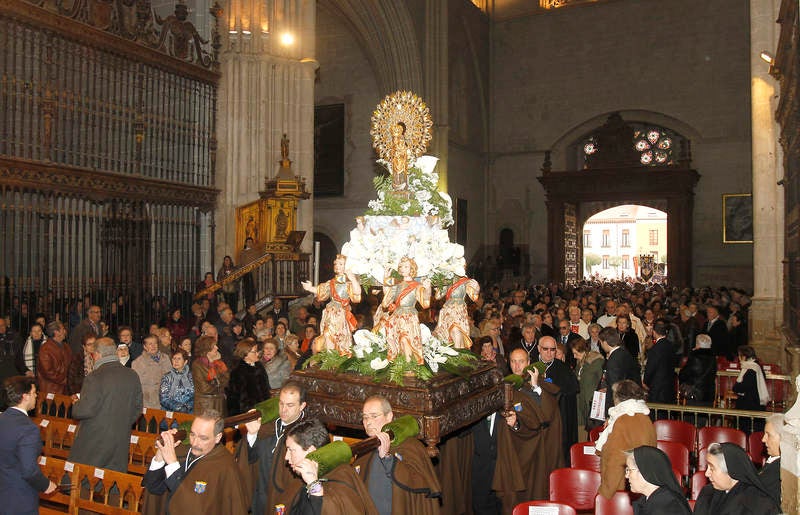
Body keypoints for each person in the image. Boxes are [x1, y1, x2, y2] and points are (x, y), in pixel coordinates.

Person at [142, 409, 253, 514]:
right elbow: (154, 488)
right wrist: (160, 456)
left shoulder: (225, 466)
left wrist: (172, 464)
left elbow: (194, 508)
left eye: (203, 438)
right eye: (192, 434)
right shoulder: (183, 451)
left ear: (218, 437)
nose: (195, 443)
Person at [493, 348, 562, 511]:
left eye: (521, 361)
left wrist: (536, 386)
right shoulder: (506, 386)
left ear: (529, 363)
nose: (517, 366)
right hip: (516, 450)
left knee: (538, 492)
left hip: (540, 448)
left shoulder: (541, 383)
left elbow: (547, 414)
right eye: (513, 361)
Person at [353, 396, 441, 515]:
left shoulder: (410, 445)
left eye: (374, 416)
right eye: (365, 417)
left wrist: (387, 458)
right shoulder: (364, 451)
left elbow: (417, 481)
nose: (368, 422)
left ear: (389, 416)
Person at [68, 337, 143, 472]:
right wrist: (122, 423)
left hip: (95, 440)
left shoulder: (95, 377)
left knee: (85, 481)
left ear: (97, 354)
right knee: (114, 483)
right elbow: (137, 409)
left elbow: (85, 410)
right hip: (120, 438)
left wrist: (76, 404)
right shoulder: (132, 375)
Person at [284, 418, 378, 514]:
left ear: (310, 451)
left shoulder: (342, 477)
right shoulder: (300, 480)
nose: (286, 457)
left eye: (291, 450)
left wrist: (314, 486)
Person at [246, 382, 308, 514]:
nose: (284, 409)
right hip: (261, 495)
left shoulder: (307, 433)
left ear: (302, 406)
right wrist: (252, 435)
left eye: (290, 405)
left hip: (284, 498)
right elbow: (252, 459)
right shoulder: (267, 427)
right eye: (281, 403)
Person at [0, 376, 58, 514]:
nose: (36, 396)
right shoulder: (28, 429)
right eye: (34, 392)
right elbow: (29, 471)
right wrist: (46, 485)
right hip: (19, 498)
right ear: (25, 396)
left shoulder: (2, 418)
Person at [595, 380, 657, 499]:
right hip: (645, 486)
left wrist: (605, 493)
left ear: (617, 398)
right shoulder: (645, 418)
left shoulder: (622, 421)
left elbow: (615, 460)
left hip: (623, 489)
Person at [301, 255, 363, 356]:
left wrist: (353, 279)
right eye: (335, 263)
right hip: (330, 313)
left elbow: (357, 292)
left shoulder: (349, 282)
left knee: (340, 336)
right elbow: (321, 290)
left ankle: (340, 354)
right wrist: (309, 288)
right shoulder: (332, 282)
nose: (337, 266)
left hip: (340, 314)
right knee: (327, 334)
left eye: (340, 264)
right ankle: (330, 356)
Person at [694, 442, 780, 515]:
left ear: (731, 471)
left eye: (712, 468)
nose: (706, 474)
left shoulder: (758, 504)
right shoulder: (707, 493)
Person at [378, 257, 431, 364]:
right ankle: (401, 363)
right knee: (397, 340)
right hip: (396, 317)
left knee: (405, 339)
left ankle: (408, 364)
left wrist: (428, 289)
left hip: (409, 317)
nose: (402, 268)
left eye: (406, 266)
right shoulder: (396, 284)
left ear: (412, 269)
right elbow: (387, 299)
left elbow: (425, 302)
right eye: (401, 266)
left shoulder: (417, 286)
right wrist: (386, 280)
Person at [537, 335, 579, 465]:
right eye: (546, 349)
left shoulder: (562, 368)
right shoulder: (531, 366)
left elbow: (573, 388)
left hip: (559, 416)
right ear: (539, 349)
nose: (550, 353)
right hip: (538, 418)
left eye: (553, 349)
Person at [626, 446, 692, 514]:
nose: (626, 476)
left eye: (629, 470)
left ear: (645, 472)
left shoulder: (668, 508)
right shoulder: (650, 499)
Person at [599, 326, 640, 417]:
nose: (601, 345)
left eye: (600, 342)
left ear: (605, 342)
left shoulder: (613, 360)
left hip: (621, 406)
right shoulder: (624, 352)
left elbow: (616, 388)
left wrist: (612, 414)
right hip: (631, 399)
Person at [433, 275, 480, 349]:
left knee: (457, 332)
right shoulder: (447, 280)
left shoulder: (465, 281)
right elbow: (438, 296)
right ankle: (455, 353)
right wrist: (439, 286)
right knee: (450, 333)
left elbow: (474, 297)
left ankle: (458, 353)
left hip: (459, 311)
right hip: (448, 310)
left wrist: (476, 290)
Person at [572, 337, 604, 442]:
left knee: (593, 431)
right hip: (580, 401)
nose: (574, 357)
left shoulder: (596, 361)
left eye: (576, 354)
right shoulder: (580, 363)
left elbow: (602, 381)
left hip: (593, 402)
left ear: (584, 351)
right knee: (581, 429)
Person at [227, 339, 270, 415]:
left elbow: (266, 388)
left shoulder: (259, 366)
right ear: (245, 354)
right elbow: (234, 398)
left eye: (257, 351)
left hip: (264, 408)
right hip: (247, 412)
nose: (257, 354)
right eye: (254, 352)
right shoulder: (237, 371)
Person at [191, 335, 230, 415]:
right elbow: (204, 388)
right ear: (207, 349)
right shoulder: (197, 365)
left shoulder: (219, 363)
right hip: (205, 405)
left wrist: (215, 383)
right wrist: (218, 384)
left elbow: (226, 380)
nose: (217, 348)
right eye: (214, 346)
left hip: (219, 403)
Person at [133, 335, 173, 409]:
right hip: (147, 402)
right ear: (145, 347)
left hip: (165, 399)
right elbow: (137, 384)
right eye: (150, 344)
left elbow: (171, 377)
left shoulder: (165, 358)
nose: (153, 346)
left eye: (155, 343)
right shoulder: (137, 362)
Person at [643, 319, 676, 404]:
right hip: (669, 386)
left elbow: (651, 368)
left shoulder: (655, 348)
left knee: (657, 414)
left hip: (657, 388)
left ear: (654, 332)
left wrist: (645, 381)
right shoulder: (670, 345)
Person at [678, 334, 717, 405]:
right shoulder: (713, 358)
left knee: (692, 415)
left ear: (697, 344)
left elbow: (684, 374)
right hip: (708, 395)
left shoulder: (694, 358)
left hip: (694, 394)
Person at [37, 320, 72, 395]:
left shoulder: (66, 347)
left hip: (65, 390)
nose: (65, 331)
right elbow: (48, 372)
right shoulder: (45, 349)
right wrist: (66, 380)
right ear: (56, 332)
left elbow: (71, 365)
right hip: (52, 391)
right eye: (63, 329)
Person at [159, 349, 194, 413]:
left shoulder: (191, 377)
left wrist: (187, 407)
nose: (176, 361)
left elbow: (195, 395)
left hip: (188, 413)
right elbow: (163, 398)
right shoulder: (167, 377)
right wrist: (178, 407)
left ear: (185, 361)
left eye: (179, 359)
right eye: (174, 358)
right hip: (170, 414)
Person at [759, 413, 783, 506]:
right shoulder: (773, 461)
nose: (763, 439)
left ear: (783, 438)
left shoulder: (780, 469)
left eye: (768, 435)